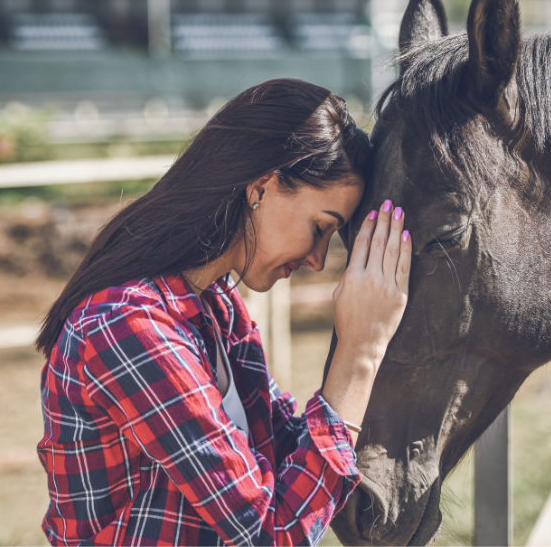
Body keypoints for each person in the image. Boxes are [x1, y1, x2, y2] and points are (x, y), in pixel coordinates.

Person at [34, 79, 412, 546]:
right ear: (262, 186)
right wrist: (360, 353)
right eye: (320, 227)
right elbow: (273, 534)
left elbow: (280, 454)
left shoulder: (216, 310)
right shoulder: (128, 327)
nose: (317, 259)